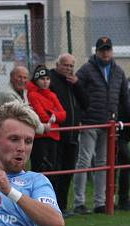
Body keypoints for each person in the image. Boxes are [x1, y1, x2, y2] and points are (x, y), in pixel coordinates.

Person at [74, 36, 130, 214]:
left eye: (108, 49)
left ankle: (100, 202)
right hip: (89, 122)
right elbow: (76, 92)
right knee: (84, 161)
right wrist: (79, 116)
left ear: (112, 51)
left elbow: (125, 97)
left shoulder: (118, 71)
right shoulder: (87, 70)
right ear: (96, 52)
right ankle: (79, 202)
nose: (105, 53)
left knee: (103, 162)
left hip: (108, 123)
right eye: (102, 50)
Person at [48, 53, 88, 214]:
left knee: (68, 170)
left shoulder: (74, 82)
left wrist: (78, 85)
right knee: (56, 171)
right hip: (57, 134)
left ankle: (63, 205)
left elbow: (86, 103)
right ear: (58, 65)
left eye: (71, 66)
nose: (68, 69)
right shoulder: (51, 80)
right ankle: (54, 206)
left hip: (73, 134)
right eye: (65, 65)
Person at [27, 65, 66, 176]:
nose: (45, 82)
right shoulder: (33, 95)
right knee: (41, 170)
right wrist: (54, 114)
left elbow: (63, 115)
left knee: (52, 170)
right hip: (41, 138)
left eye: (47, 79)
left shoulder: (52, 95)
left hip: (54, 136)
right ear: (36, 80)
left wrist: (53, 115)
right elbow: (43, 117)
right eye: (42, 79)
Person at [0, 66, 46, 135]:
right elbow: (24, 115)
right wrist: (42, 127)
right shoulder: (7, 94)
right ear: (11, 78)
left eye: (25, 78)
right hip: (5, 135)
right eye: (19, 77)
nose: (22, 80)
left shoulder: (23, 93)